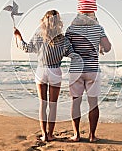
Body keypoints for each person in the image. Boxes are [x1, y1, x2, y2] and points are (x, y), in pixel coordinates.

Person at [14, 10, 76, 142]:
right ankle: (51, 134)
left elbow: (26, 48)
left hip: (41, 71)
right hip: (55, 72)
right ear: (58, 22)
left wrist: (18, 37)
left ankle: (44, 135)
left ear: (44, 21)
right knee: (53, 105)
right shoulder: (63, 39)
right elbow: (72, 54)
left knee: (43, 105)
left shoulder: (38, 35)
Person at [65, 21, 112, 142]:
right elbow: (107, 48)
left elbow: (65, 50)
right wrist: (99, 46)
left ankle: (76, 135)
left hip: (76, 70)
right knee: (93, 103)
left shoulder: (71, 29)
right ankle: (92, 135)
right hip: (92, 70)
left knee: (76, 102)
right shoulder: (98, 28)